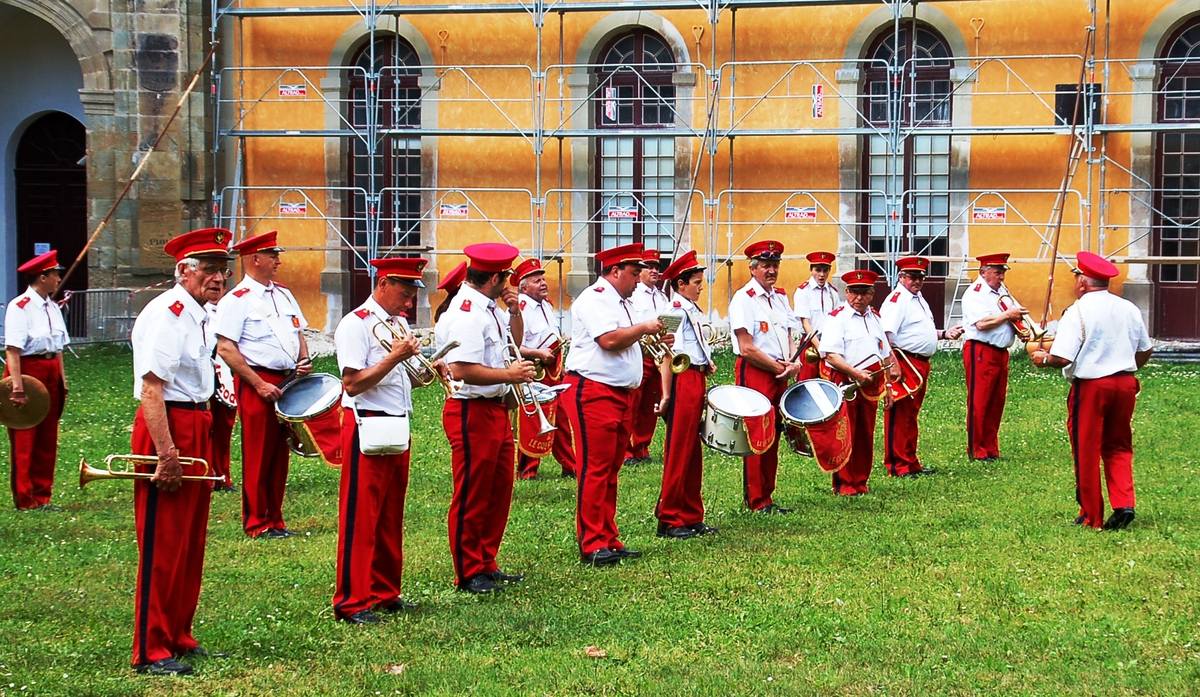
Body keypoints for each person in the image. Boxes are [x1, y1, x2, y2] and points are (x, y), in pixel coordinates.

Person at [128, 227, 232, 675]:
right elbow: (152, 389)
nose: (218, 278)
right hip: (169, 426)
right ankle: (151, 648)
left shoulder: (199, 314)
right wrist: (166, 452)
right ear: (184, 271)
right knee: (164, 542)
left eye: (223, 270)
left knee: (190, 541)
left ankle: (178, 634)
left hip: (195, 421)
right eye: (209, 269)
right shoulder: (168, 314)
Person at [331, 257, 427, 624]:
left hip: (395, 422)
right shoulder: (355, 324)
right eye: (404, 293)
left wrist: (423, 369)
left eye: (412, 294)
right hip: (366, 423)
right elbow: (353, 383)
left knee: (389, 513)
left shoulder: (396, 323)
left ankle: (386, 591)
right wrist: (394, 357)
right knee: (361, 515)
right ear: (383, 284)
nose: (408, 302)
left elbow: (401, 377)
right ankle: (352, 600)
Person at [435, 243, 534, 593]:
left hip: (493, 407)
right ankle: (468, 569)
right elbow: (462, 369)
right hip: (471, 409)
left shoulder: (488, 308)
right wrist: (509, 375)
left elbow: (512, 344)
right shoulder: (467, 312)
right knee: (473, 491)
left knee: (498, 490)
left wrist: (515, 311)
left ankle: (486, 561)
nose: (508, 282)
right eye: (505, 276)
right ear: (494, 278)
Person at [1030, 251, 1153, 531]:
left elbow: (1063, 357)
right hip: (1124, 382)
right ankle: (1124, 503)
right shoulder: (1128, 308)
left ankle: (1091, 514)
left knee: (1086, 448)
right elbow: (1145, 349)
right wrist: (1127, 366)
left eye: (1077, 278)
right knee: (1119, 444)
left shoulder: (1078, 311)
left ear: (1083, 282)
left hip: (1092, 386)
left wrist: (1043, 358)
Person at [562, 243, 662, 565]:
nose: (637, 280)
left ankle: (608, 536)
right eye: (633, 273)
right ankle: (592, 542)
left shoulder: (624, 302)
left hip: (619, 391)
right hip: (594, 389)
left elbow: (628, 339)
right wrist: (644, 328)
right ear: (615, 271)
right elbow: (609, 340)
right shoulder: (594, 298)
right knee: (595, 468)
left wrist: (651, 337)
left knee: (611, 468)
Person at [215, 230, 312, 538]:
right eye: (273, 255)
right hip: (258, 379)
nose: (278, 261)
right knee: (258, 452)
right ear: (255, 259)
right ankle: (257, 521)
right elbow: (226, 348)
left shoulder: (283, 294)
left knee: (281, 451)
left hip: (288, 378)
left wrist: (304, 358)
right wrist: (257, 384)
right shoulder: (237, 300)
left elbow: (298, 331)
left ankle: (276, 517)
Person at [728, 240, 803, 513]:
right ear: (753, 268)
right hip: (757, 371)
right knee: (757, 433)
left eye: (775, 265)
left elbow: (790, 334)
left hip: (779, 371)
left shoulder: (780, 297)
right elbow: (746, 347)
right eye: (765, 266)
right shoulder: (743, 299)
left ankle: (767, 495)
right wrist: (777, 367)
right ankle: (756, 499)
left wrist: (794, 362)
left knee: (774, 432)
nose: (771, 270)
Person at [879, 256, 963, 477]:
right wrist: (892, 364)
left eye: (920, 277)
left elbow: (917, 330)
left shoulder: (917, 299)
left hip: (919, 362)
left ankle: (910, 461)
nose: (917, 281)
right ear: (901, 277)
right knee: (900, 414)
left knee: (911, 414)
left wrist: (944, 334)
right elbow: (884, 335)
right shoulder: (897, 300)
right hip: (903, 361)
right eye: (912, 276)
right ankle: (898, 465)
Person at [819, 269, 901, 496]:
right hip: (846, 381)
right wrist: (854, 373)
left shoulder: (875, 318)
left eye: (864, 293)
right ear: (846, 292)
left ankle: (860, 481)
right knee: (845, 432)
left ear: (872, 294)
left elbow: (884, 354)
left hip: (871, 383)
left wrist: (888, 386)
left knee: (866, 432)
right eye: (854, 292)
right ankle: (845, 483)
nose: (858, 298)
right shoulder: (837, 318)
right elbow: (831, 355)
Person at [653, 250, 717, 539]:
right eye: (696, 283)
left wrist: (707, 362)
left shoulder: (690, 308)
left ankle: (691, 513)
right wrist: (666, 395)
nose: (701, 287)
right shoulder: (673, 310)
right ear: (681, 284)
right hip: (683, 379)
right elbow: (665, 354)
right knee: (679, 449)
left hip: (696, 375)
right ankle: (669, 517)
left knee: (692, 449)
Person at [4, 250, 69, 511]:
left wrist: (62, 379)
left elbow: (58, 347)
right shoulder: (20, 307)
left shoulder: (52, 306)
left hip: (51, 369)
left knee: (47, 435)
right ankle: (25, 496)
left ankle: (43, 494)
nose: (58, 279)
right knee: (25, 434)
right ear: (43, 277)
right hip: (28, 371)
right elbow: (13, 350)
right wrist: (17, 388)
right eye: (55, 274)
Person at [513, 257, 576, 480]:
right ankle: (527, 470)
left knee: (561, 419)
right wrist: (538, 353)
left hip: (553, 370)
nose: (543, 283)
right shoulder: (521, 309)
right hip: (535, 370)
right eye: (536, 280)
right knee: (533, 420)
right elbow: (514, 346)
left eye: (543, 279)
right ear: (524, 287)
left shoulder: (546, 305)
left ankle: (570, 465)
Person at [960, 252, 1023, 462]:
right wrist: (1007, 315)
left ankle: (990, 446)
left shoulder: (1001, 291)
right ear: (983, 272)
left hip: (1000, 352)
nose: (1001, 277)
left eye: (1003, 272)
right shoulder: (975, 293)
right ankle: (976, 449)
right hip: (981, 350)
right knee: (980, 400)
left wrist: (1021, 328)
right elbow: (981, 324)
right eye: (997, 272)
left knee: (997, 400)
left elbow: (1011, 316)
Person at [625, 248, 668, 465]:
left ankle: (642, 447)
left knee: (651, 403)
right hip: (640, 353)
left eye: (657, 267)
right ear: (640, 271)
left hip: (658, 355)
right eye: (649, 267)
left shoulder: (662, 296)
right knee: (633, 402)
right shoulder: (633, 295)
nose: (654, 271)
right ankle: (627, 450)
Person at [206, 279, 238, 492]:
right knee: (206, 428)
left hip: (225, 373)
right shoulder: (200, 312)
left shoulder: (229, 310)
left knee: (223, 427)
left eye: (221, 286)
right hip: (205, 374)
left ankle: (222, 474)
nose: (217, 289)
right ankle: (207, 473)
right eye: (212, 286)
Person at [792, 250, 841, 381]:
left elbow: (837, 320)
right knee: (807, 381)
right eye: (818, 270)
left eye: (825, 270)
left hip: (829, 343)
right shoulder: (803, 291)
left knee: (830, 381)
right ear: (811, 270)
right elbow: (805, 323)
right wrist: (819, 347)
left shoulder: (833, 292)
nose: (821, 275)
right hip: (810, 343)